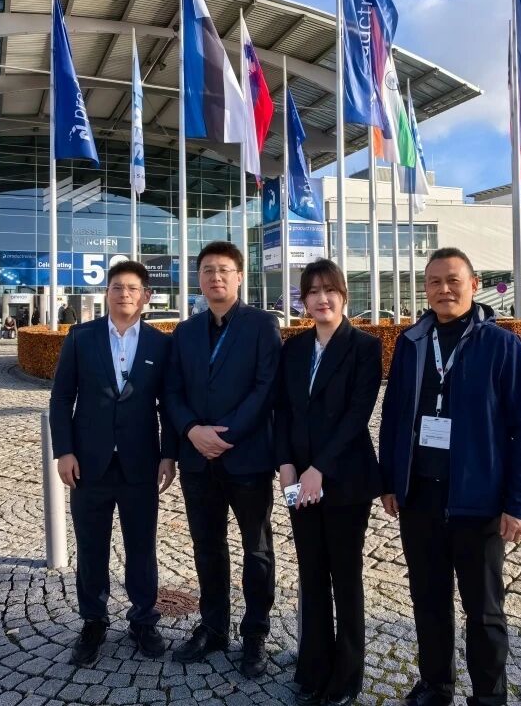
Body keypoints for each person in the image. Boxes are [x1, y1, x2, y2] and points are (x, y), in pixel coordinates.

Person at [379, 247, 521, 706]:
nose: (444, 289)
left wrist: (519, 503)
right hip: (420, 499)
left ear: (474, 285)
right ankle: (436, 686)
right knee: (428, 601)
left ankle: (489, 697)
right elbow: (393, 418)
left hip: (478, 500)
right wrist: (390, 481)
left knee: (484, 610)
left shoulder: (503, 346)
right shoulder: (411, 343)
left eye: (453, 280)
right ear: (425, 289)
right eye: (434, 282)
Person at [49, 260, 177, 666]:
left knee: (141, 547)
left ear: (146, 296)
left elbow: (168, 405)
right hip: (89, 463)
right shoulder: (81, 337)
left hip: (141, 463)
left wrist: (168, 454)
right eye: (117, 287)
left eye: (132, 288)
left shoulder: (160, 344)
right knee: (91, 547)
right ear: (107, 293)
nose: (124, 294)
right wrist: (64, 451)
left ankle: (143, 619)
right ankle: (93, 621)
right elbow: (61, 397)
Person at [165, 241, 282, 678]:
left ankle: (255, 633)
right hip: (197, 460)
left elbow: (265, 388)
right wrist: (192, 431)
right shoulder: (186, 331)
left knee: (257, 548)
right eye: (208, 270)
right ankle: (213, 627)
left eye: (224, 270)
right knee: (206, 546)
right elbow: (171, 391)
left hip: (246, 458)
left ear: (239, 276)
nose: (216, 277)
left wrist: (224, 435)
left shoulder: (262, 324)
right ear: (199, 278)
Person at [276, 259, 382, 706]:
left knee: (345, 576)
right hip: (299, 479)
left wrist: (319, 468)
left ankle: (347, 675)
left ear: (343, 296)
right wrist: (286, 464)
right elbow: (282, 410)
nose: (322, 299)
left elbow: (357, 415)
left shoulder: (365, 347)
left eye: (330, 290)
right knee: (312, 573)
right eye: (313, 292)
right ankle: (313, 666)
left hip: (344, 480)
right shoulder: (294, 348)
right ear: (304, 300)